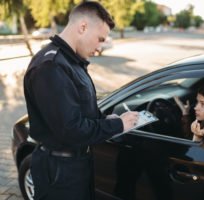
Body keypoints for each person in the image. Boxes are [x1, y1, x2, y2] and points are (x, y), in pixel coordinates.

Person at [23, 2, 139, 200]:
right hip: (59, 172)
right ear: (83, 27)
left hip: (74, 165)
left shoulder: (72, 62)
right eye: (100, 39)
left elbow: (81, 110)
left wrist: (105, 119)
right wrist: (117, 125)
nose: (100, 47)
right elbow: (72, 130)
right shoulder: (51, 67)